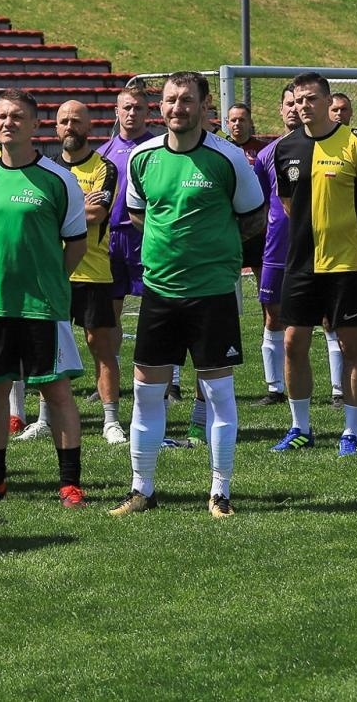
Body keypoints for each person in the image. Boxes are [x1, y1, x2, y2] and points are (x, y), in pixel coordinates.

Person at [110, 73, 265, 519]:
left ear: (204, 105)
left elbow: (253, 217)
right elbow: (140, 213)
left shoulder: (228, 158)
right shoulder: (142, 158)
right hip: (159, 293)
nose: (177, 107)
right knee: (145, 394)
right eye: (170, 100)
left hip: (212, 294)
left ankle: (220, 492)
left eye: (186, 100)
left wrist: (213, 250)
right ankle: (142, 489)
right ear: (161, 106)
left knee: (218, 394)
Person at [0, 90, 90, 508]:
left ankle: (69, 483)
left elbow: (76, 244)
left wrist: (49, 280)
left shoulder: (58, 180)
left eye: (17, 116)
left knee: (57, 392)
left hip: (41, 306)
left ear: (34, 125)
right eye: (0, 116)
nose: (7, 122)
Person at [268, 72, 357, 457]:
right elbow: (289, 205)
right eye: (298, 100)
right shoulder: (285, 148)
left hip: (346, 264)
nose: (304, 106)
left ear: (326, 100)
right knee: (293, 343)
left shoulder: (356, 143)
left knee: (351, 344)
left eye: (311, 99)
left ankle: (351, 432)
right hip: (301, 265)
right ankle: (300, 427)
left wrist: (355, 238)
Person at [44, 99, 122, 444]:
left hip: (93, 272)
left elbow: (97, 214)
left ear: (89, 127)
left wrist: (56, 210)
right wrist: (79, 202)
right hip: (54, 271)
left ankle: (110, 421)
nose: (70, 126)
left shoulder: (104, 167)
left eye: (76, 120)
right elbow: (80, 211)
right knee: (46, 348)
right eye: (64, 121)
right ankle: (45, 419)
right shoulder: (45, 168)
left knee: (100, 345)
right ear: (55, 128)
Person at [97, 83, 168, 394]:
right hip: (111, 241)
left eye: (138, 107)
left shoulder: (159, 148)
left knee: (159, 310)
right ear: (116, 110)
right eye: (126, 107)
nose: (132, 113)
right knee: (108, 316)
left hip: (146, 237)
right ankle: (109, 380)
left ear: (148, 112)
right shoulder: (103, 153)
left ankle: (168, 381)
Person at [252, 86, 301, 405]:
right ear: (281, 110)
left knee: (328, 319)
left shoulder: (325, 149)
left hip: (318, 247)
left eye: (299, 103)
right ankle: (274, 388)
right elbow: (258, 203)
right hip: (277, 248)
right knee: (274, 315)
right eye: (289, 104)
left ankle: (339, 391)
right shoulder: (266, 155)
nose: (295, 109)